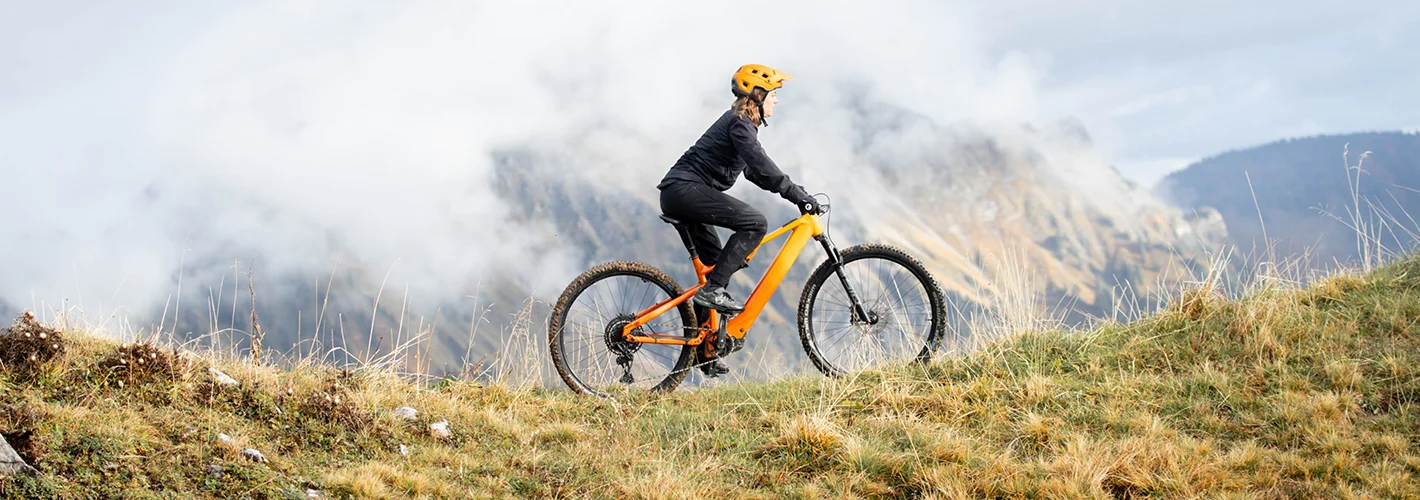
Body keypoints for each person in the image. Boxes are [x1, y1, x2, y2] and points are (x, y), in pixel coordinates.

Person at [658, 64, 822, 318]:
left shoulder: (742, 123)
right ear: (758, 94)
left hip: (681, 192)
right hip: (684, 190)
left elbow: (753, 172)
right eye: (774, 93)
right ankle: (712, 291)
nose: (776, 100)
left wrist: (797, 192)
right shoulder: (740, 124)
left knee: (715, 270)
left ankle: (704, 353)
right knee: (755, 224)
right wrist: (797, 195)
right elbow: (760, 163)